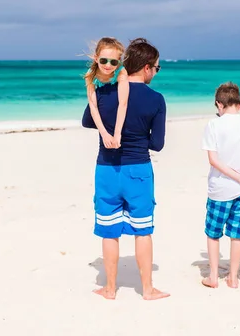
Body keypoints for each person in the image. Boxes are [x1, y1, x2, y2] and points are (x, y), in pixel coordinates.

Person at [82, 38, 169, 300]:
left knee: (109, 230)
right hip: (138, 170)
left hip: (106, 169)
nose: (156, 72)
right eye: (156, 67)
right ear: (146, 67)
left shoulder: (103, 91)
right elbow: (158, 144)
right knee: (142, 230)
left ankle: (109, 289)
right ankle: (148, 289)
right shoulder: (156, 99)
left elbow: (88, 121)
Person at [200, 82, 240, 289]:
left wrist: (237, 178)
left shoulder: (213, 125)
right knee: (237, 235)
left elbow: (214, 160)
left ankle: (212, 277)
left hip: (220, 190)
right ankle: (233, 277)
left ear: (219, 104)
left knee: (213, 233)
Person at [84, 37, 129, 149]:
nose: (108, 66)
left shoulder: (121, 72)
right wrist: (104, 134)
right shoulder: (91, 74)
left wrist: (117, 134)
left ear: (118, 62)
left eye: (113, 62)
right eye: (103, 61)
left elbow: (123, 104)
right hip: (100, 97)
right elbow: (93, 105)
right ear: (96, 58)